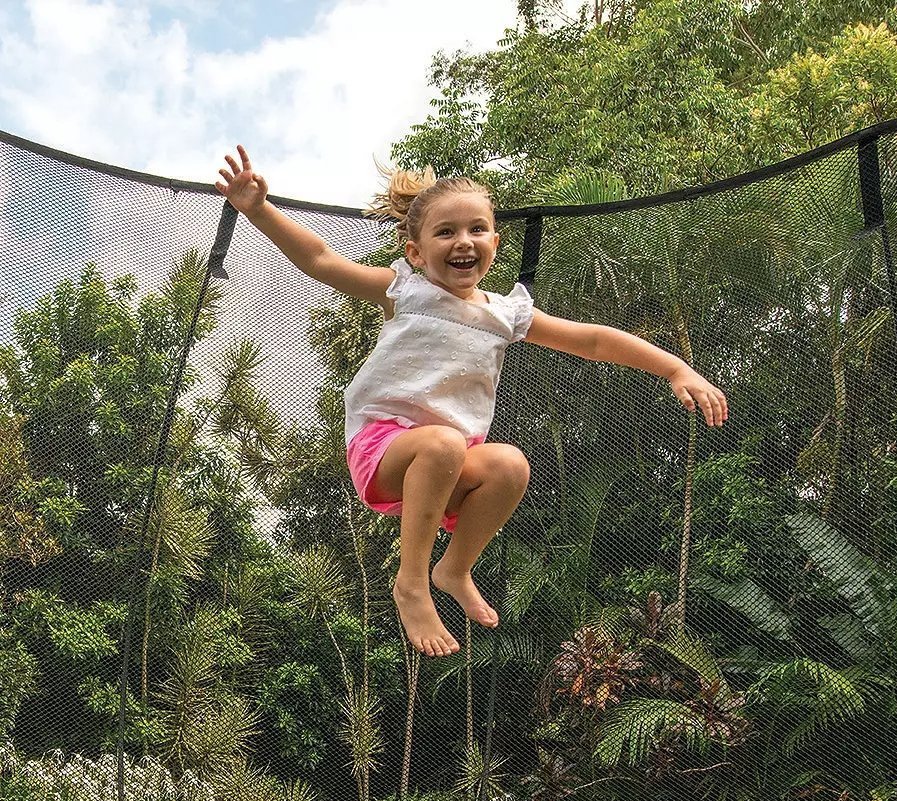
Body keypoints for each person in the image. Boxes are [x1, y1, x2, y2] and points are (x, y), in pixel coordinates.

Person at [215, 145, 728, 657]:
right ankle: (411, 581)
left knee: (510, 464)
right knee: (442, 442)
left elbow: (592, 340)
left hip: (449, 464)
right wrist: (258, 209)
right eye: (445, 232)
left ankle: (454, 568)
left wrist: (674, 368)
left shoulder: (506, 314)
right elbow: (321, 260)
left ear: (495, 243)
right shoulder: (406, 291)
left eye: (476, 229)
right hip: (384, 450)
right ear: (416, 253)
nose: (463, 241)